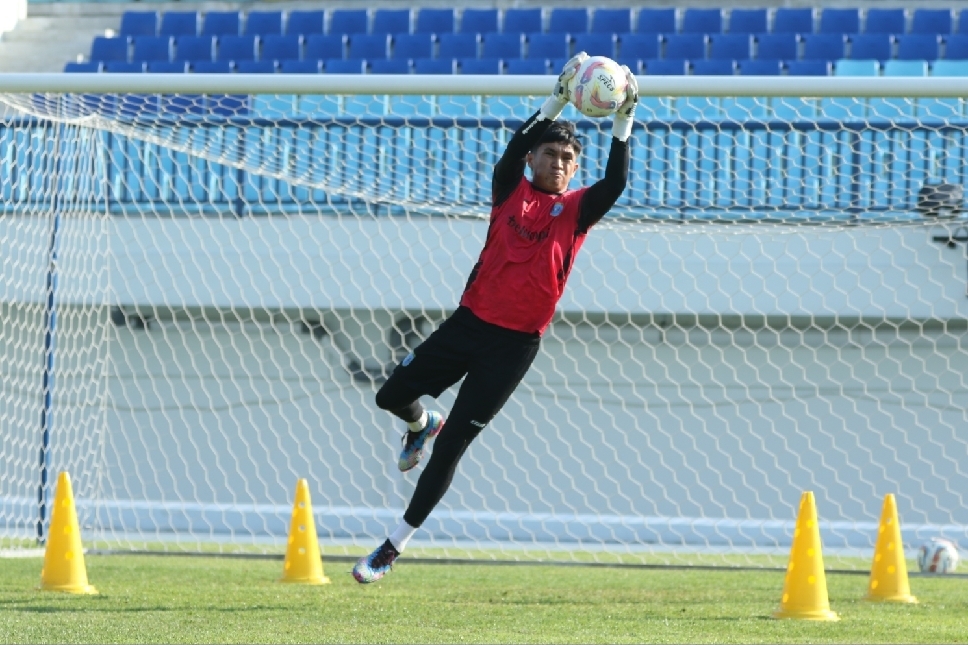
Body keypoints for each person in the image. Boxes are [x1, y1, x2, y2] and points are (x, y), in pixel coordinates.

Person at [352, 53, 638, 583]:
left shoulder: (576, 211)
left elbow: (616, 183)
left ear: (576, 167)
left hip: (514, 347)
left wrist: (625, 117)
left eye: (568, 156)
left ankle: (392, 548)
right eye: (550, 152)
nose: (559, 162)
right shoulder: (509, 188)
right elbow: (515, 141)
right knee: (389, 395)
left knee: (455, 446)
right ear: (531, 159)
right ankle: (421, 423)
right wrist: (556, 97)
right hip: (469, 325)